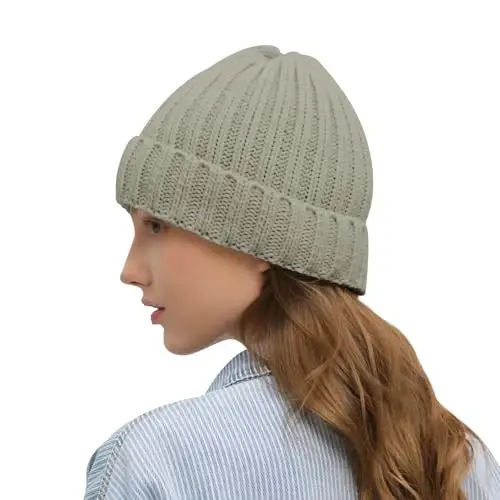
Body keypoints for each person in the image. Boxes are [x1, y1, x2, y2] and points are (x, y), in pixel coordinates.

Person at [83, 45, 500, 499]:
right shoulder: (457, 459)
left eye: (157, 226)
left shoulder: (155, 461)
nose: (130, 270)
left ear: (260, 237)